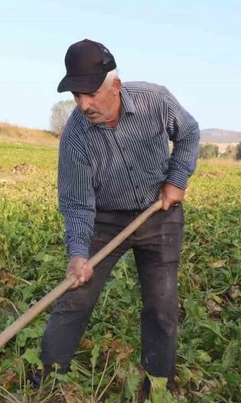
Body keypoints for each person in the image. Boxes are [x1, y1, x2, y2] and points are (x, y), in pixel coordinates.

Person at [31, 39, 200, 401]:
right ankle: (47, 380)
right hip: (105, 220)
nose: (83, 104)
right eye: (76, 95)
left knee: (161, 304)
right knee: (75, 297)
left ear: (115, 86)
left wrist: (176, 180)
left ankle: (157, 386)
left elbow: (188, 134)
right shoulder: (76, 135)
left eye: (90, 93)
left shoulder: (157, 100)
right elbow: (76, 202)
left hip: (160, 213)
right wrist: (78, 253)